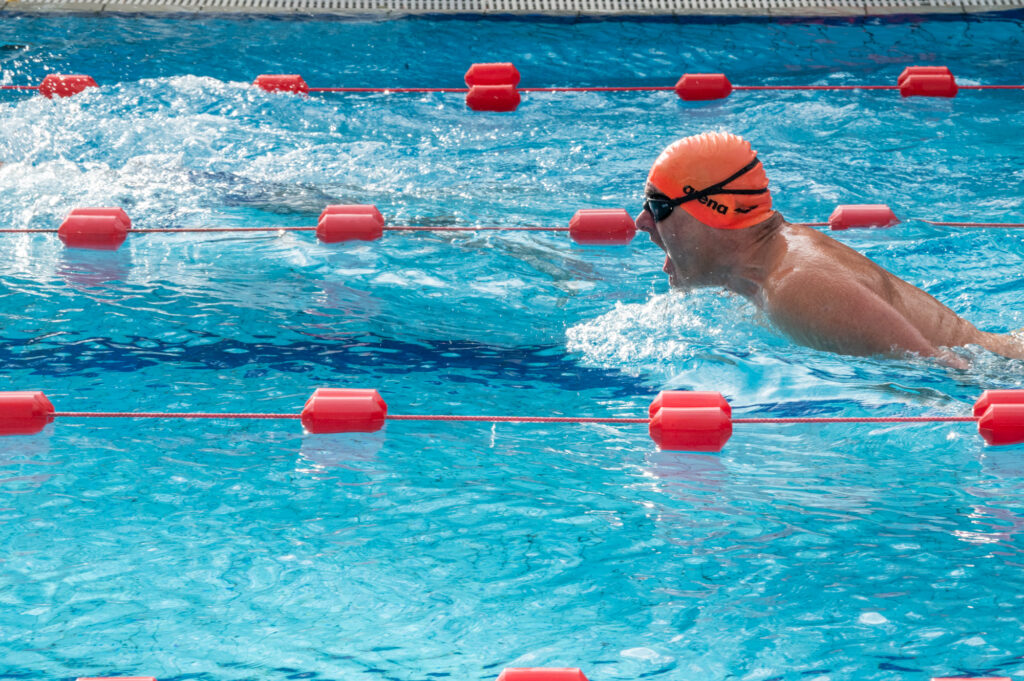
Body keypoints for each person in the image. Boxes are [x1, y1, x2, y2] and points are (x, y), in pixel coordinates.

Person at [635, 131, 1024, 366]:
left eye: (657, 207)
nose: (641, 222)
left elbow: (948, 376)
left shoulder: (796, 286)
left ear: (713, 211)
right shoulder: (768, 269)